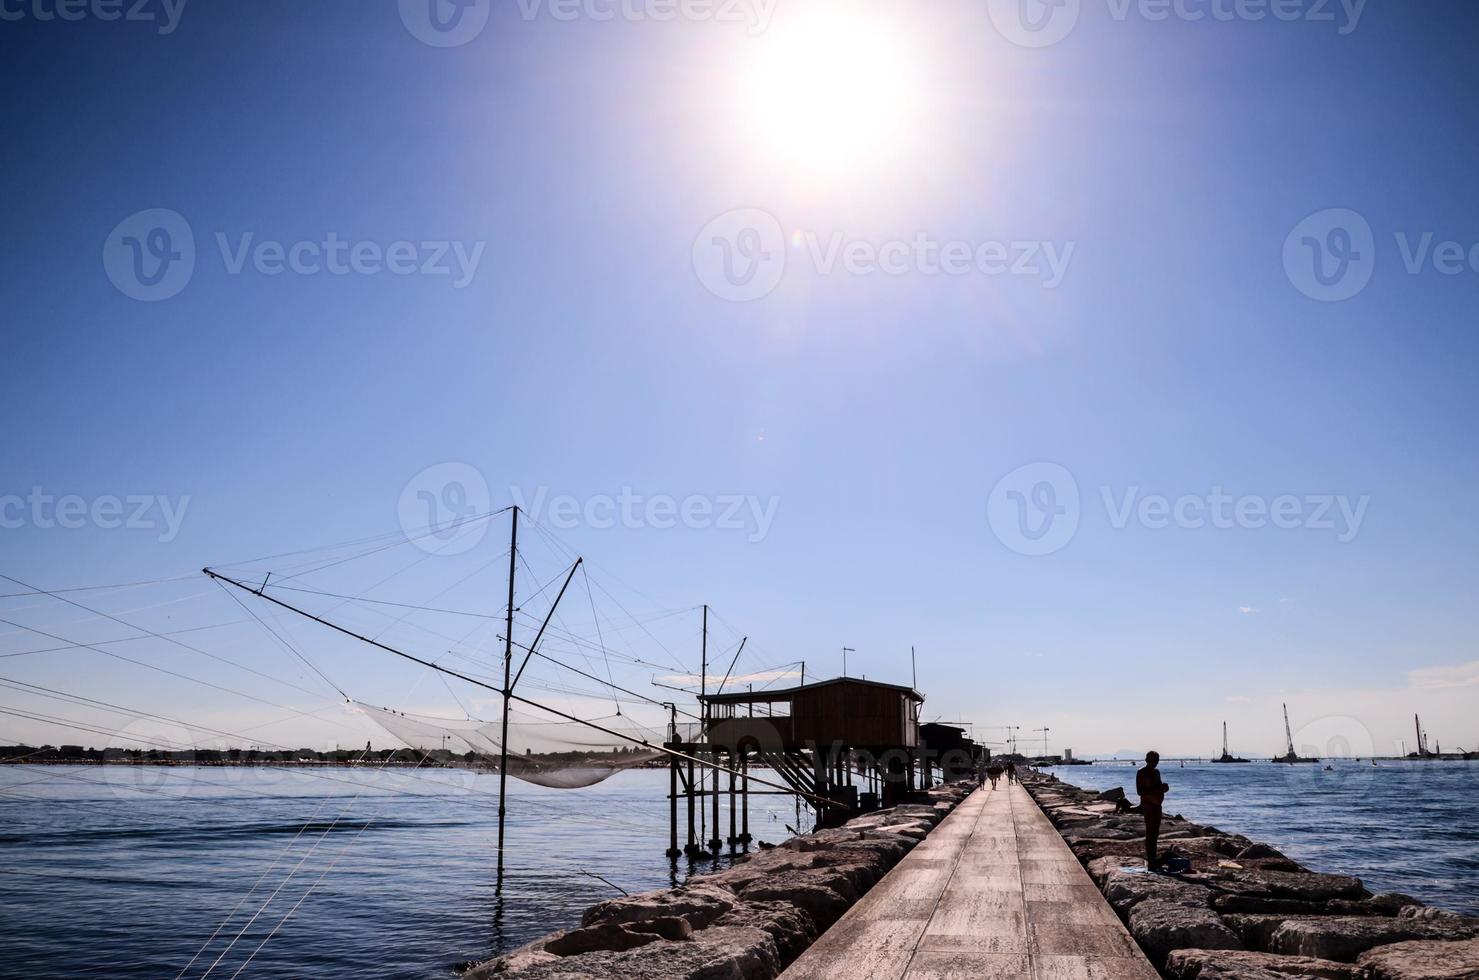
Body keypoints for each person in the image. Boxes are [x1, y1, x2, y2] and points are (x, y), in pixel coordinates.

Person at [1135, 751, 1169, 870]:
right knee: (1150, 832)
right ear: (1147, 760)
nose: (1155, 763)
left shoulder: (1156, 772)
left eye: (1157, 760)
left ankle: (1153, 857)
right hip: (1148, 805)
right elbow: (1140, 791)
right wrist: (1159, 789)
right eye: (1153, 760)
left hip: (1157, 805)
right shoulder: (1141, 772)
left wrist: (1164, 788)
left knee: (1155, 832)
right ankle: (1151, 859)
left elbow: (1158, 787)